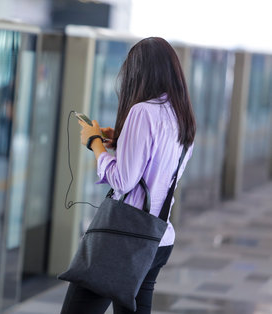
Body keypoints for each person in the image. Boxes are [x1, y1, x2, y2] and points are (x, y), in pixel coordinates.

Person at [60, 37, 196, 314]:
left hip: (124, 239)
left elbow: (124, 181)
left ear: (139, 73)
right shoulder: (182, 116)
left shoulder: (142, 111)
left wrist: (94, 143)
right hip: (159, 238)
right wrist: (120, 141)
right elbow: (157, 168)